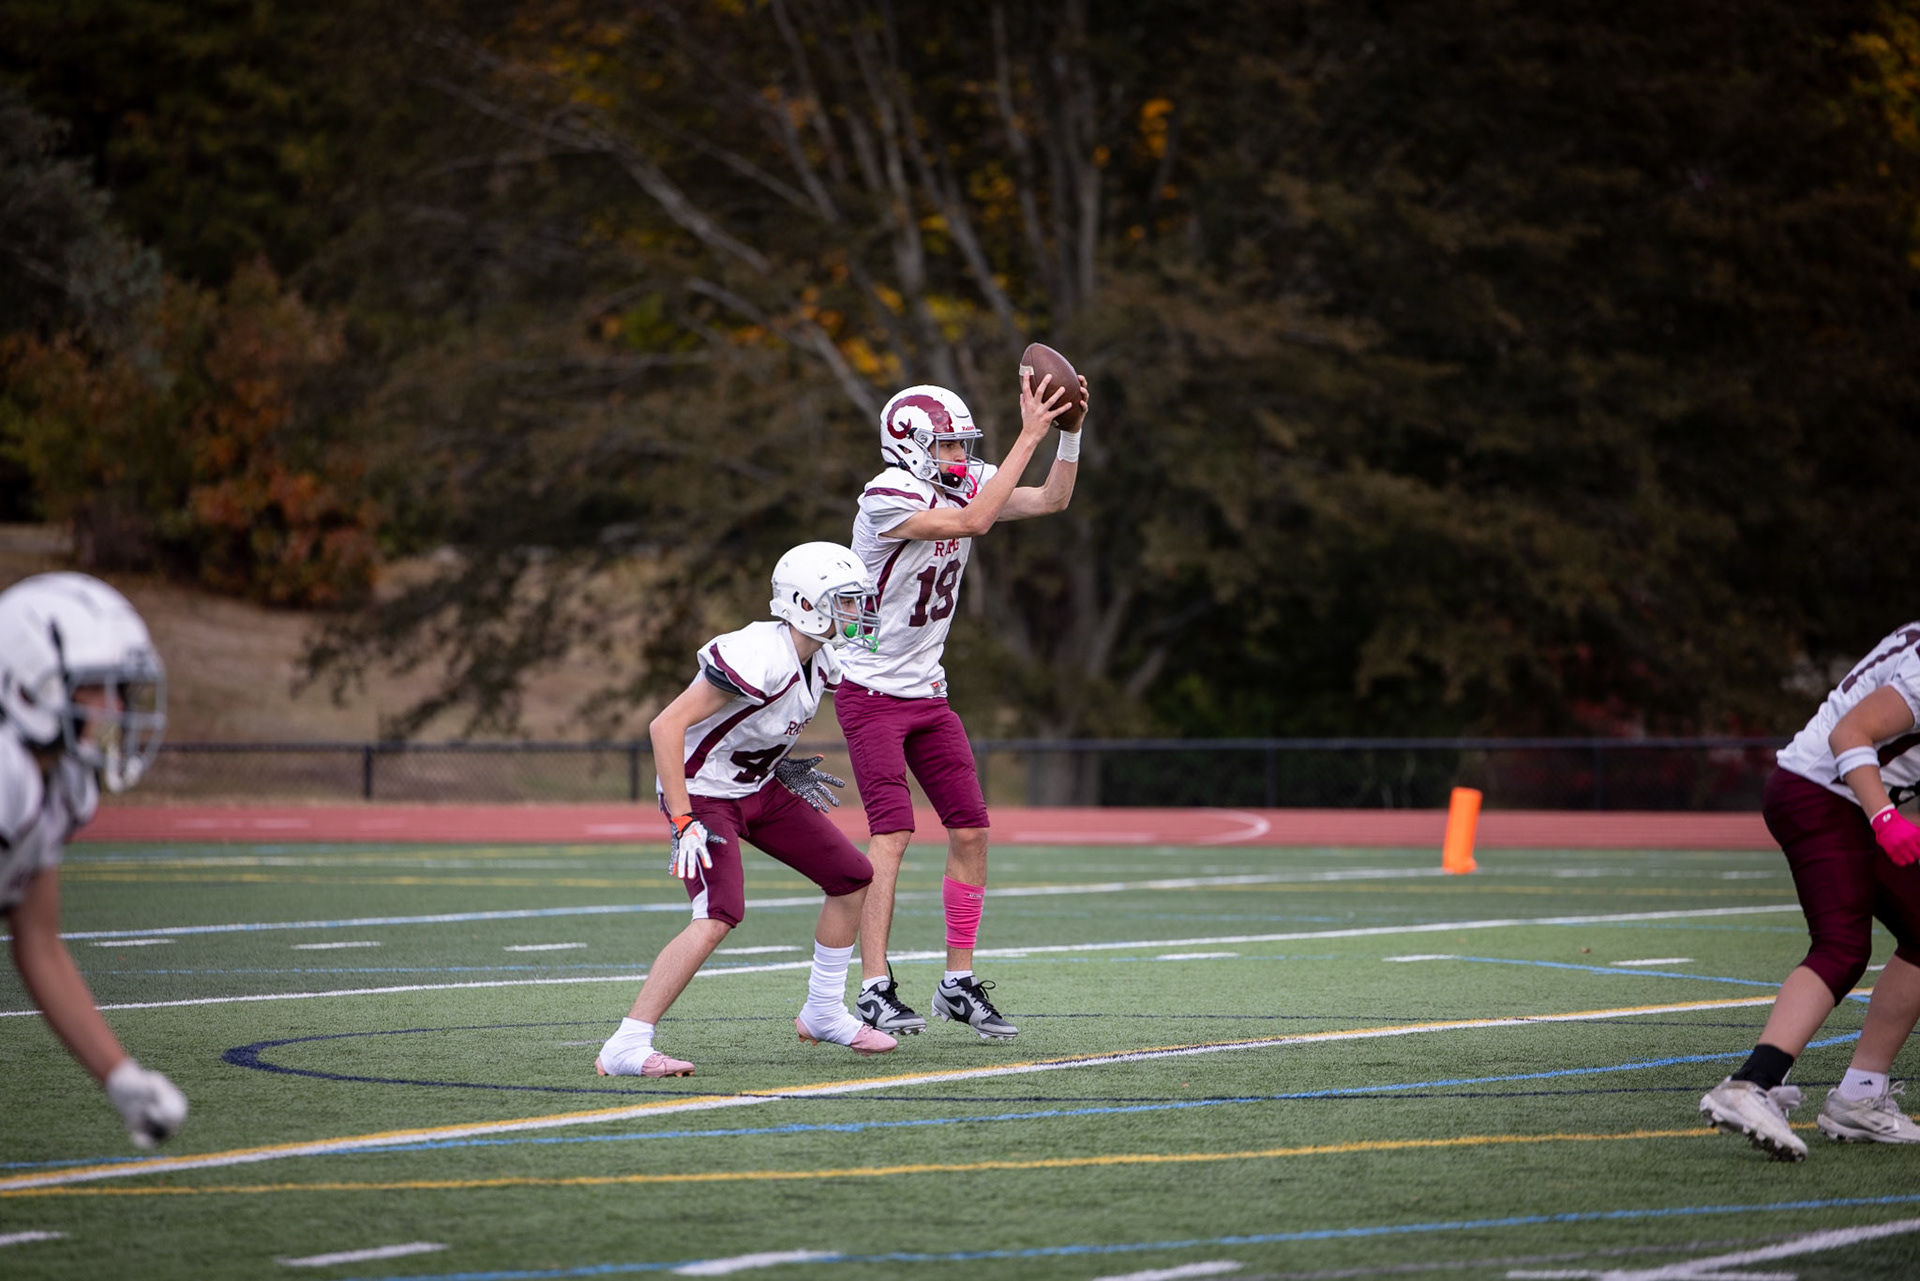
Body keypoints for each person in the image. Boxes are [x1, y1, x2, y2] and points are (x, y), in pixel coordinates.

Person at [838, 371, 1083, 1042]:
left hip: (928, 692)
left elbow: (1051, 500)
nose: (958, 458)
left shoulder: (962, 479)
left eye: (961, 446)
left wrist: (1070, 435)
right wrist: (1029, 432)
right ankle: (874, 986)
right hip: (871, 693)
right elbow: (976, 520)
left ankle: (957, 981)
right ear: (910, 445)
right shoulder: (886, 496)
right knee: (891, 833)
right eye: (946, 446)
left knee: (971, 830)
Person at [596, 541, 897, 1077]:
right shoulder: (758, 653)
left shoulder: (820, 658)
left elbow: (749, 726)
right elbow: (665, 726)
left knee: (852, 876)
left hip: (755, 786)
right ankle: (626, 1043)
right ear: (805, 603)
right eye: (845, 601)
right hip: (704, 793)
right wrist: (684, 818)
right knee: (718, 914)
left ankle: (823, 1011)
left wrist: (778, 765)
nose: (857, 612)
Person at [1700, 621, 1920, 1159]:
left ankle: (1860, 1097)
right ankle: (1751, 1084)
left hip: (1835, 794)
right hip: (1823, 794)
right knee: (1842, 946)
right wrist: (1885, 818)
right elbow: (1850, 734)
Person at [0, 572, 188, 1148]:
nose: (117, 708)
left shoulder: (55, 787)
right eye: (99, 688)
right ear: (31, 685)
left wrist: (118, 1074)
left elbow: (38, 940)